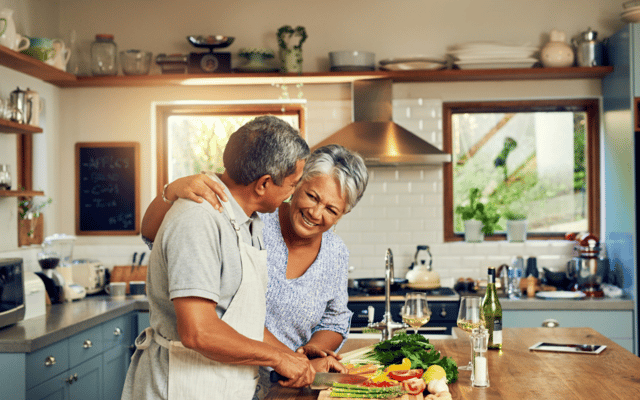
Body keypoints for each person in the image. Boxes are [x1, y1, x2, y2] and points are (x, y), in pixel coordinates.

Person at [141, 144, 369, 398]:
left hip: (287, 382)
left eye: (331, 210)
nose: (315, 213)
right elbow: (155, 235)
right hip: (216, 374)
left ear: (343, 214)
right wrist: (170, 192)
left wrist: (305, 356)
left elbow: (334, 319)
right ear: (296, 184)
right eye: (312, 197)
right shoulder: (255, 218)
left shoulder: (336, 252)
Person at [122, 116, 316, 400]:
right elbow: (198, 332)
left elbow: (240, 321)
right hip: (181, 387)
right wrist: (277, 359)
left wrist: (296, 361)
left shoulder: (248, 221)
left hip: (221, 384)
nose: (293, 193)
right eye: (292, 184)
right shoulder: (198, 219)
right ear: (263, 184)